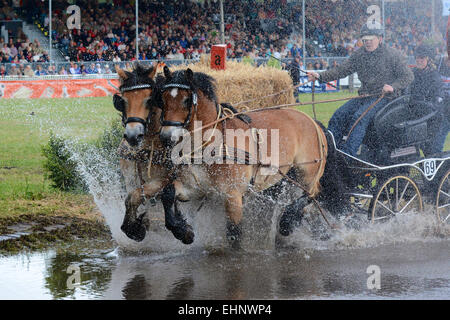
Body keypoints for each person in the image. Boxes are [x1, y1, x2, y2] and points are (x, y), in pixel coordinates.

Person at [308, 25, 414, 157]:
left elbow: (408, 76)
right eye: (364, 40)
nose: (367, 42)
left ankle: (347, 156)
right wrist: (321, 76)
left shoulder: (393, 55)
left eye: (370, 39)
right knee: (339, 115)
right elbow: (341, 70)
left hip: (385, 98)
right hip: (364, 97)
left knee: (359, 118)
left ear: (380, 39)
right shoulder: (359, 55)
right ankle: (328, 152)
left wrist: (393, 86)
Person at [409, 45, 446, 156]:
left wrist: (424, 105)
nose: (419, 61)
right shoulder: (412, 74)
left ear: (428, 59)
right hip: (415, 117)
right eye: (417, 58)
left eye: (422, 58)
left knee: (430, 150)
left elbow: (437, 101)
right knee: (412, 149)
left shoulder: (435, 77)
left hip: (431, 119)